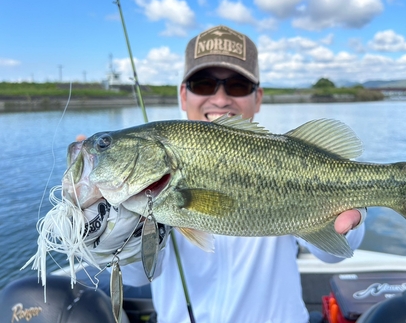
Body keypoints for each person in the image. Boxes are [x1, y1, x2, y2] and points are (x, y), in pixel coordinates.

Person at [120, 25, 366, 323]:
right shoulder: (140, 195)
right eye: (203, 83)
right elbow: (137, 275)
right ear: (183, 96)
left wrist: (352, 213)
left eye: (237, 85)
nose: (221, 99)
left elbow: (333, 253)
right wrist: (116, 229)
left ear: (258, 97)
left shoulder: (285, 156)